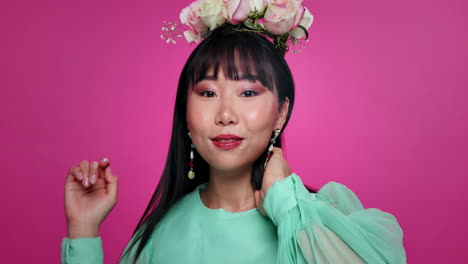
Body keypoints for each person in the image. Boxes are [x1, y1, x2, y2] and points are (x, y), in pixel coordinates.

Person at [62, 2, 407, 264]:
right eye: (208, 93)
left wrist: (284, 201)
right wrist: (84, 229)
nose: (226, 115)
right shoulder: (160, 232)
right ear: (186, 112)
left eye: (248, 93)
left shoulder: (317, 221)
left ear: (281, 112)